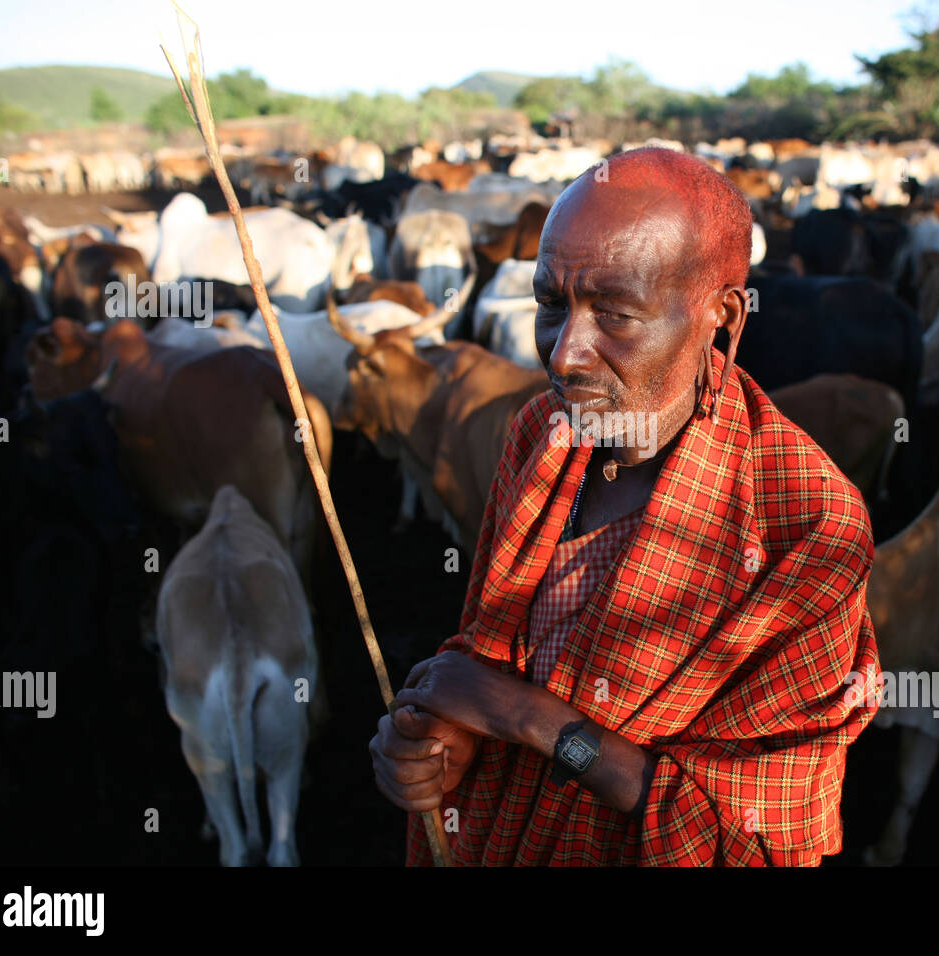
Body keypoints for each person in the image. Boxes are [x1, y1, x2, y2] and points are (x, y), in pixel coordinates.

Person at [369, 147, 881, 865]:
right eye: (553, 305)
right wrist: (439, 735)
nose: (565, 354)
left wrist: (528, 718)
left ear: (721, 319)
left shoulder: (805, 522)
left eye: (614, 313)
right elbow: (489, 646)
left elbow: (753, 837)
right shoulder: (541, 436)